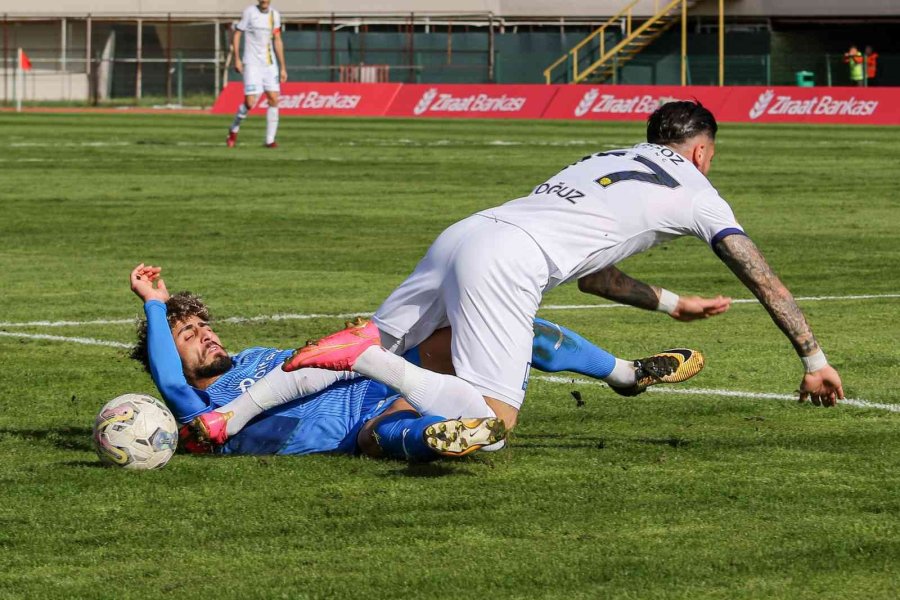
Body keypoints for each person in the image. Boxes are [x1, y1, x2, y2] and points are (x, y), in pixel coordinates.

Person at [285, 101, 844, 437]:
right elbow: (764, 278)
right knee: (492, 420)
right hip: (507, 262)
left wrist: (674, 303)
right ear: (701, 153)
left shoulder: (604, 160)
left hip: (464, 232)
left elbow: (596, 276)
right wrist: (813, 359)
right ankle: (393, 435)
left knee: (382, 340)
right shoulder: (697, 189)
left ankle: (227, 415)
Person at [129, 264, 704, 458]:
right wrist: (157, 307)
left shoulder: (253, 357)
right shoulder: (201, 412)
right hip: (365, 424)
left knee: (493, 327)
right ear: (169, 360)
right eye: (186, 335)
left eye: (201, 324)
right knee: (398, 434)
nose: (203, 334)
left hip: (376, 367)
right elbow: (168, 377)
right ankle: (452, 435)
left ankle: (626, 374)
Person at [226, 0, 287, 148]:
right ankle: (234, 128)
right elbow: (237, 34)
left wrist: (283, 67)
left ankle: (269, 140)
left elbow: (277, 40)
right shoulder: (250, 12)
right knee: (250, 103)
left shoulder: (275, 15)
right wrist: (237, 59)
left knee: (273, 99)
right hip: (252, 63)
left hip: (269, 63)